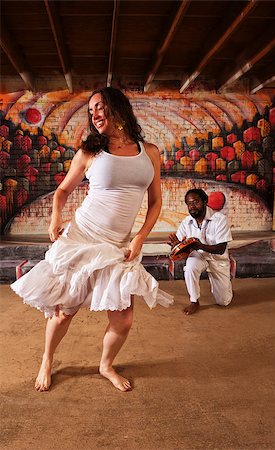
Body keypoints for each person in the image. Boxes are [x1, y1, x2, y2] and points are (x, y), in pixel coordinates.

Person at [11, 87, 173, 392]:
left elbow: (155, 203)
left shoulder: (148, 152)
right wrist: (56, 217)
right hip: (83, 237)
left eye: (99, 107)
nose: (94, 114)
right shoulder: (90, 152)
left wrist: (140, 238)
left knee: (123, 320)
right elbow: (62, 191)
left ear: (117, 107)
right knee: (64, 312)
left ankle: (105, 365)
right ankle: (47, 359)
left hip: (117, 245)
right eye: (91, 110)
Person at [168, 188, 233, 315]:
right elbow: (181, 249)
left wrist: (199, 245)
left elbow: (221, 249)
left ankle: (226, 289)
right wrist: (177, 247)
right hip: (199, 256)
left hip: (218, 260)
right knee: (190, 267)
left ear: (205, 201)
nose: (192, 206)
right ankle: (194, 301)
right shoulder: (186, 222)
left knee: (224, 301)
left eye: (196, 202)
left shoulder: (220, 219)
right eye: (189, 203)